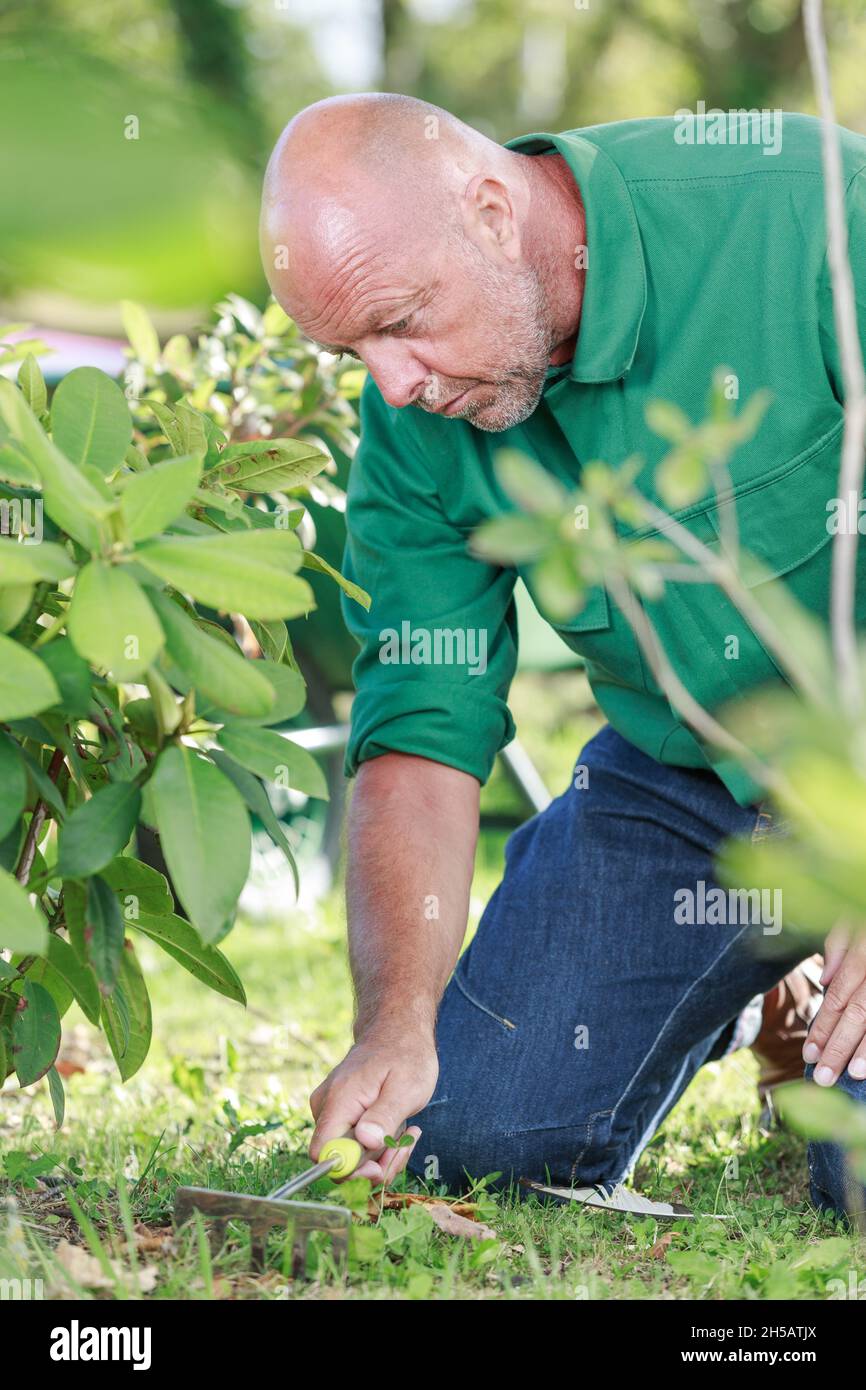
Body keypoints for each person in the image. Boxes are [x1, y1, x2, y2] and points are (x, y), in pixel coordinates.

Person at [260, 94, 866, 1217]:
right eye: (352, 350)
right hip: (684, 779)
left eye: (400, 321)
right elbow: (419, 737)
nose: (392, 385)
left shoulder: (813, 213)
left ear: (491, 213)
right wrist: (392, 1023)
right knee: (469, 1132)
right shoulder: (411, 418)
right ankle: (744, 972)